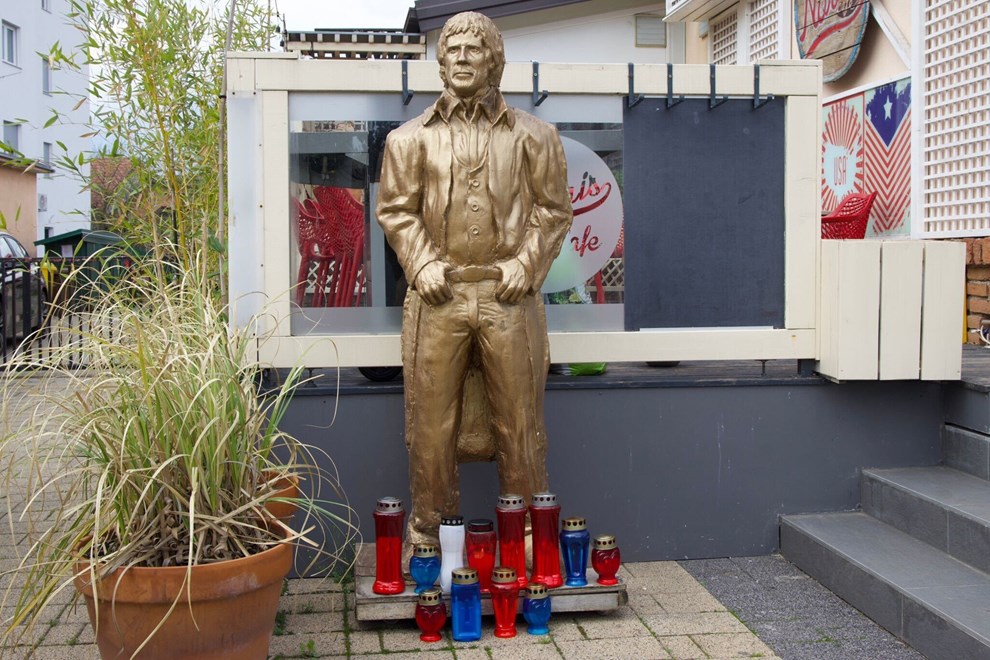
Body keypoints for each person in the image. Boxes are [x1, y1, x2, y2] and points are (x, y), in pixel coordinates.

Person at [376, 11, 573, 550]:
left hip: (508, 297)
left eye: (475, 49)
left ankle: (527, 534)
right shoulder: (408, 140)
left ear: (494, 61)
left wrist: (526, 265)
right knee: (431, 425)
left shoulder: (536, 136)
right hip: (439, 298)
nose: (463, 58)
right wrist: (421, 263)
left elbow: (554, 211)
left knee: (520, 421)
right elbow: (395, 210)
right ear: (440, 62)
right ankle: (429, 535)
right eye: (453, 49)